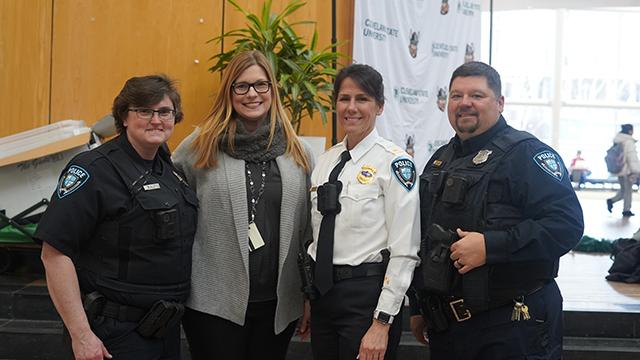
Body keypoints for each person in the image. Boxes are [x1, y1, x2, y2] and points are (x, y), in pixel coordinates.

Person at [409, 61, 584, 360]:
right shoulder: (440, 160)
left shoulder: (527, 154)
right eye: (456, 95)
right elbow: (424, 239)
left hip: (513, 326)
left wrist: (491, 246)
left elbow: (566, 225)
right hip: (449, 328)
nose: (465, 103)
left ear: (500, 103)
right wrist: (418, 306)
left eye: (477, 95)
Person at [36, 74, 198, 360]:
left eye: (164, 112)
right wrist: (82, 335)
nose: (156, 120)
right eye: (144, 111)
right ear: (124, 116)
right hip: (112, 335)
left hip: (163, 330)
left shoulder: (167, 167)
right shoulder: (94, 169)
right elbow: (54, 255)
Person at [172, 50, 312, 360]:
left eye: (261, 85)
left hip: (278, 307)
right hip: (213, 305)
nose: (252, 94)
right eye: (242, 86)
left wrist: (307, 295)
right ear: (229, 92)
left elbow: (306, 232)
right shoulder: (199, 146)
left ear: (272, 90)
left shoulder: (297, 152)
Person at [308, 63, 420, 360]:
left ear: (380, 106)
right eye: (344, 99)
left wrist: (382, 321)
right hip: (323, 296)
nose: (351, 107)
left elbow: (405, 250)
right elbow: (316, 237)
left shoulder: (395, 164)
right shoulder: (326, 161)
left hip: (367, 297)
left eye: (362, 99)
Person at [606, 124, 640, 217]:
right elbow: (631, 157)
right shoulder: (628, 141)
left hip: (620, 170)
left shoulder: (618, 140)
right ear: (629, 131)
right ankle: (626, 210)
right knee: (628, 191)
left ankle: (612, 201)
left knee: (624, 190)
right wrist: (636, 171)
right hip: (628, 171)